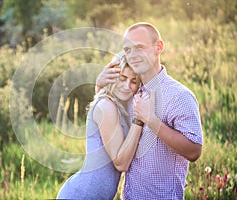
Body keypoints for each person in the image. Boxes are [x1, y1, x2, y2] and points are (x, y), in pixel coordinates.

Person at [96, 22, 203, 199]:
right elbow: (105, 116)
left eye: (139, 47)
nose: (132, 55)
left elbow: (194, 151)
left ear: (158, 47)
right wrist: (99, 86)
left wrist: (151, 120)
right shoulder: (130, 91)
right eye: (127, 50)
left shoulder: (179, 96)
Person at [57, 56, 144, 199]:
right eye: (122, 78)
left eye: (133, 81)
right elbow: (121, 163)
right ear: (112, 77)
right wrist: (139, 120)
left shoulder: (119, 105)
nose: (126, 86)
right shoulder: (106, 106)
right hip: (81, 195)